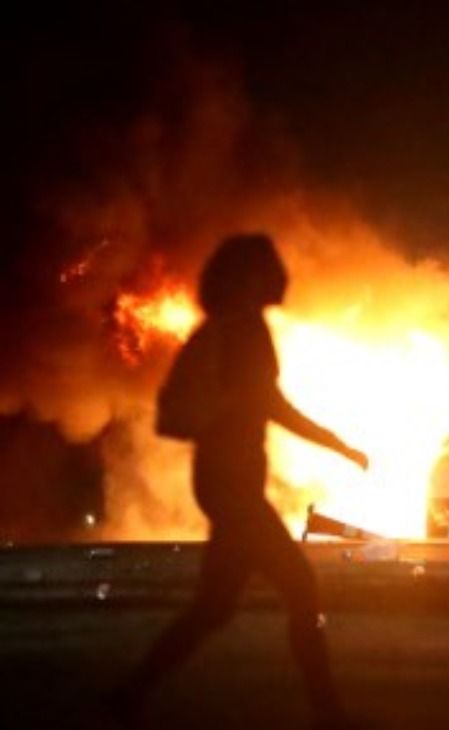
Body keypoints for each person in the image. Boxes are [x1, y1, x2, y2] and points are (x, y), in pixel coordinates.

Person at [110, 234, 369, 727]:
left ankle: (130, 695)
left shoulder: (219, 328)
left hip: (219, 479)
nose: (281, 276)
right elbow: (271, 404)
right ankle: (329, 715)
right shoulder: (245, 328)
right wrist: (337, 444)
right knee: (302, 587)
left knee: (214, 607)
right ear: (251, 275)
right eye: (270, 267)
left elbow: (253, 403)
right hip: (232, 484)